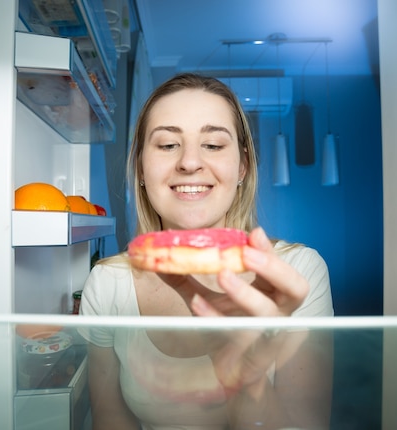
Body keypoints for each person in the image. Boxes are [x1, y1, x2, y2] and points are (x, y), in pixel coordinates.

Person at [79, 73, 334, 429]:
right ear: (140, 166)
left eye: (213, 145)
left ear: (243, 166)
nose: (189, 163)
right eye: (168, 145)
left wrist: (248, 378)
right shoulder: (108, 283)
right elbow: (110, 420)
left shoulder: (298, 272)